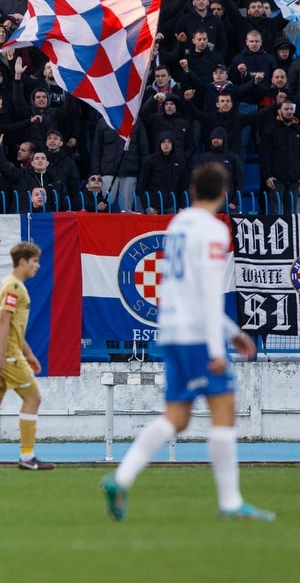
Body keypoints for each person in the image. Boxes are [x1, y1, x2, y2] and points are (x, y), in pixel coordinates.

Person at [102, 163, 273, 521]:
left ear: (192, 191)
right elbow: (209, 293)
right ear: (225, 193)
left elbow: (189, 288)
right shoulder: (213, 231)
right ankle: (230, 501)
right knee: (223, 410)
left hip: (173, 329)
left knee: (177, 417)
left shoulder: (178, 223)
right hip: (197, 335)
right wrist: (218, 349)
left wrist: (233, 333)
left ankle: (121, 477)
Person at [0, 242, 54, 470]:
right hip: (7, 354)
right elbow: (4, 320)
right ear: (22, 261)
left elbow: (11, 325)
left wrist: (30, 353)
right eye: (34, 261)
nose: (37, 265)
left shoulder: (9, 284)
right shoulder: (14, 287)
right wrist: (3, 357)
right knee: (33, 398)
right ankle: (27, 457)